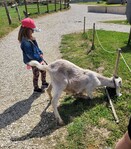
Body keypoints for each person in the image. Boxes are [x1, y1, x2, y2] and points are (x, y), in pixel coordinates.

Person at [18, 17, 48, 93]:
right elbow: (30, 55)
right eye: (32, 30)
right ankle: (36, 88)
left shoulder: (31, 38)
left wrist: (40, 52)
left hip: (38, 59)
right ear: (27, 30)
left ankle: (44, 82)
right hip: (33, 61)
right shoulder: (25, 42)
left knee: (43, 70)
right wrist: (39, 58)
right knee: (36, 74)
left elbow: (36, 48)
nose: (33, 32)